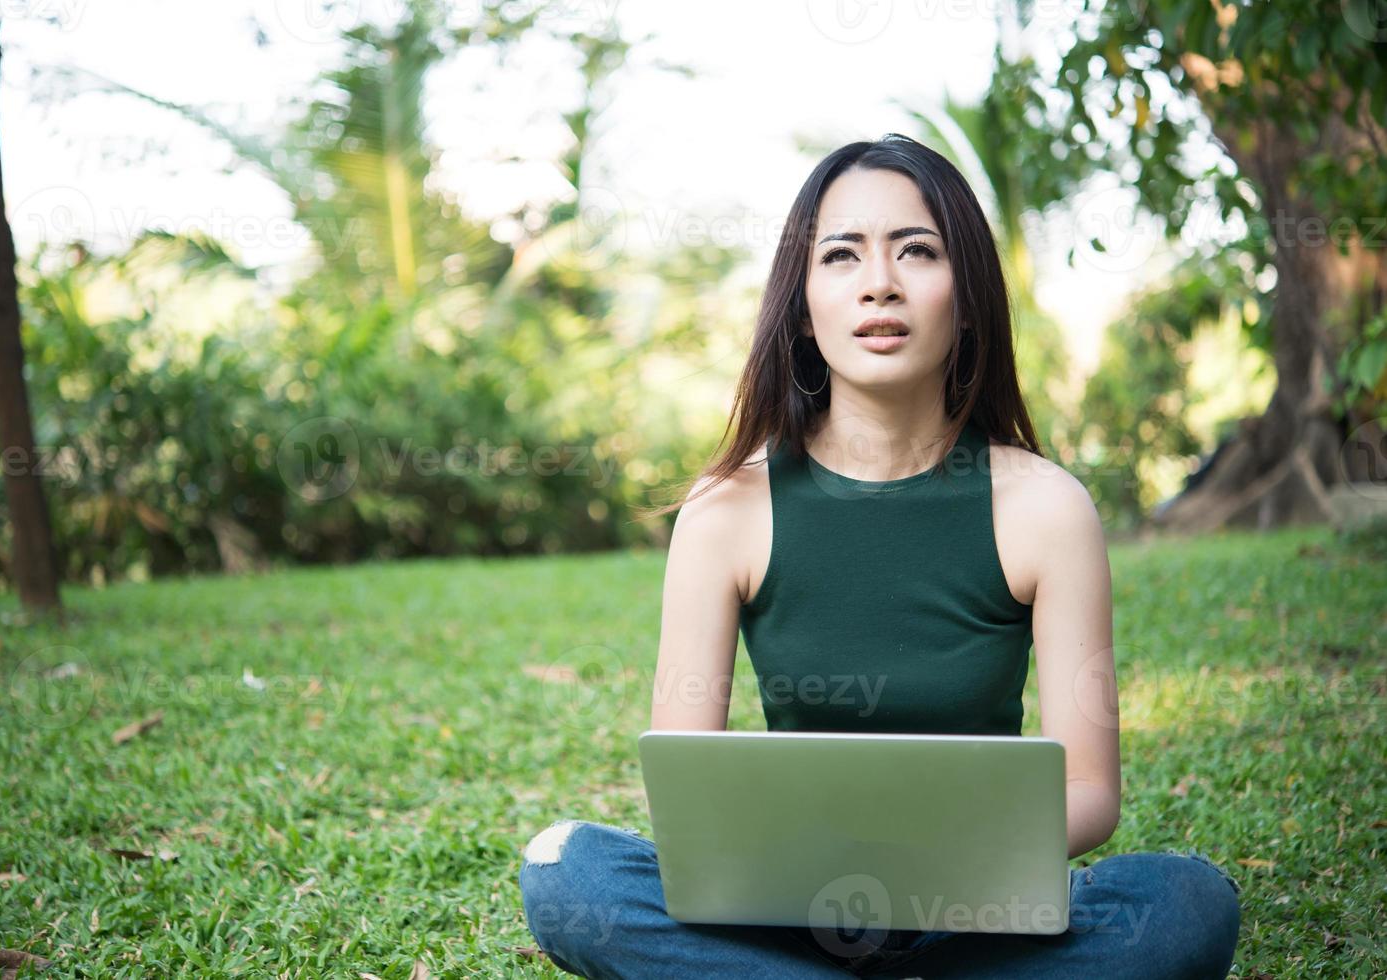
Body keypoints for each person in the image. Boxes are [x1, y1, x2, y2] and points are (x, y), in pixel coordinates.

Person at [517, 134, 1242, 978]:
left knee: (1188, 903)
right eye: (841, 255)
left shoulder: (1046, 508)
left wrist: (931, 845)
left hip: (980, 919)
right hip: (788, 911)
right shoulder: (726, 514)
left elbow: (1088, 795)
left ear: (965, 296)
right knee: (567, 870)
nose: (879, 283)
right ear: (801, 304)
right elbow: (686, 792)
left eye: (917, 251)